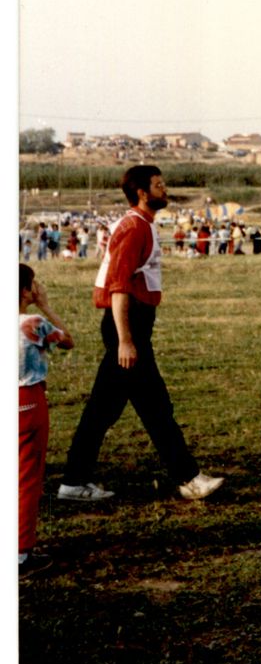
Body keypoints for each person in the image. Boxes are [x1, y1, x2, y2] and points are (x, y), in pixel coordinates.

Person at [59, 165, 224, 503]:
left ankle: (74, 481)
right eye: (159, 185)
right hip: (128, 325)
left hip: (132, 326)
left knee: (112, 410)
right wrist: (125, 340)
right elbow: (118, 287)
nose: (165, 189)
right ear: (142, 193)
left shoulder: (142, 225)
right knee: (153, 408)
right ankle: (189, 478)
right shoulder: (134, 228)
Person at [20, 265, 74, 575]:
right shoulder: (33, 323)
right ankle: (20, 553)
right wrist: (46, 306)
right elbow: (67, 341)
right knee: (27, 480)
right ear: (27, 291)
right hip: (27, 400)